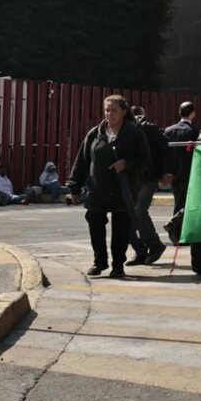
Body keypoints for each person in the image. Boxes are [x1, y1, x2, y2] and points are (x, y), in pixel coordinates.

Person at [68, 95, 150, 278]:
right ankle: (100, 261)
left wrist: (126, 163)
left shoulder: (135, 134)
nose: (109, 114)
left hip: (123, 189)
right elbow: (82, 161)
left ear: (123, 112)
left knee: (121, 229)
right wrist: (74, 187)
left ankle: (118, 265)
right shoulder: (95, 133)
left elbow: (145, 161)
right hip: (98, 189)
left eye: (114, 110)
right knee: (95, 223)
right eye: (106, 110)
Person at [127, 106, 170, 265]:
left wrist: (167, 171)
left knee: (138, 212)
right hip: (132, 177)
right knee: (127, 214)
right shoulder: (121, 129)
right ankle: (140, 251)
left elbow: (166, 149)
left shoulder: (148, 128)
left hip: (147, 176)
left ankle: (154, 245)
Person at [163, 101, 200, 215]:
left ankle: (175, 228)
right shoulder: (195, 131)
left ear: (179, 112)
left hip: (173, 173)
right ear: (193, 114)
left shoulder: (169, 130)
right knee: (190, 203)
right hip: (189, 172)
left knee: (178, 202)